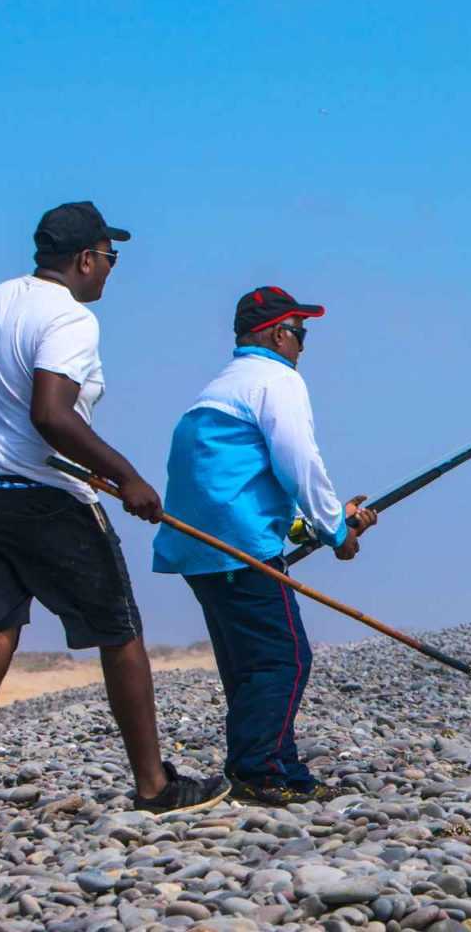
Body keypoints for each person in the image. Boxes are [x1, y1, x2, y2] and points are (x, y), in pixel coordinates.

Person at [0, 202, 229, 848]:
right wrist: (127, 478)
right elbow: (50, 412)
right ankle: (154, 787)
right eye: (110, 258)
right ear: (85, 259)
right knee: (119, 630)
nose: (112, 271)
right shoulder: (70, 317)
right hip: (39, 497)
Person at [153, 286, 373, 806]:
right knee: (285, 657)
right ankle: (259, 771)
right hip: (236, 548)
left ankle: (279, 766)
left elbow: (240, 484)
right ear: (279, 333)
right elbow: (299, 463)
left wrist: (314, 526)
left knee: (250, 663)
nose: (302, 346)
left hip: (199, 549)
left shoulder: (219, 388)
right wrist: (337, 534)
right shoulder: (277, 380)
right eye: (301, 334)